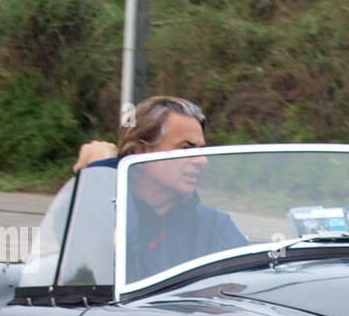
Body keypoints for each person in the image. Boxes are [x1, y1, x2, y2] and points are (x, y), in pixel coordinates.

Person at [74, 96, 246, 281]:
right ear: (140, 152)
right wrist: (104, 171)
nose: (202, 160)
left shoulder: (214, 225)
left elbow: (248, 283)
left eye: (201, 150)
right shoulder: (99, 215)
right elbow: (117, 269)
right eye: (186, 149)